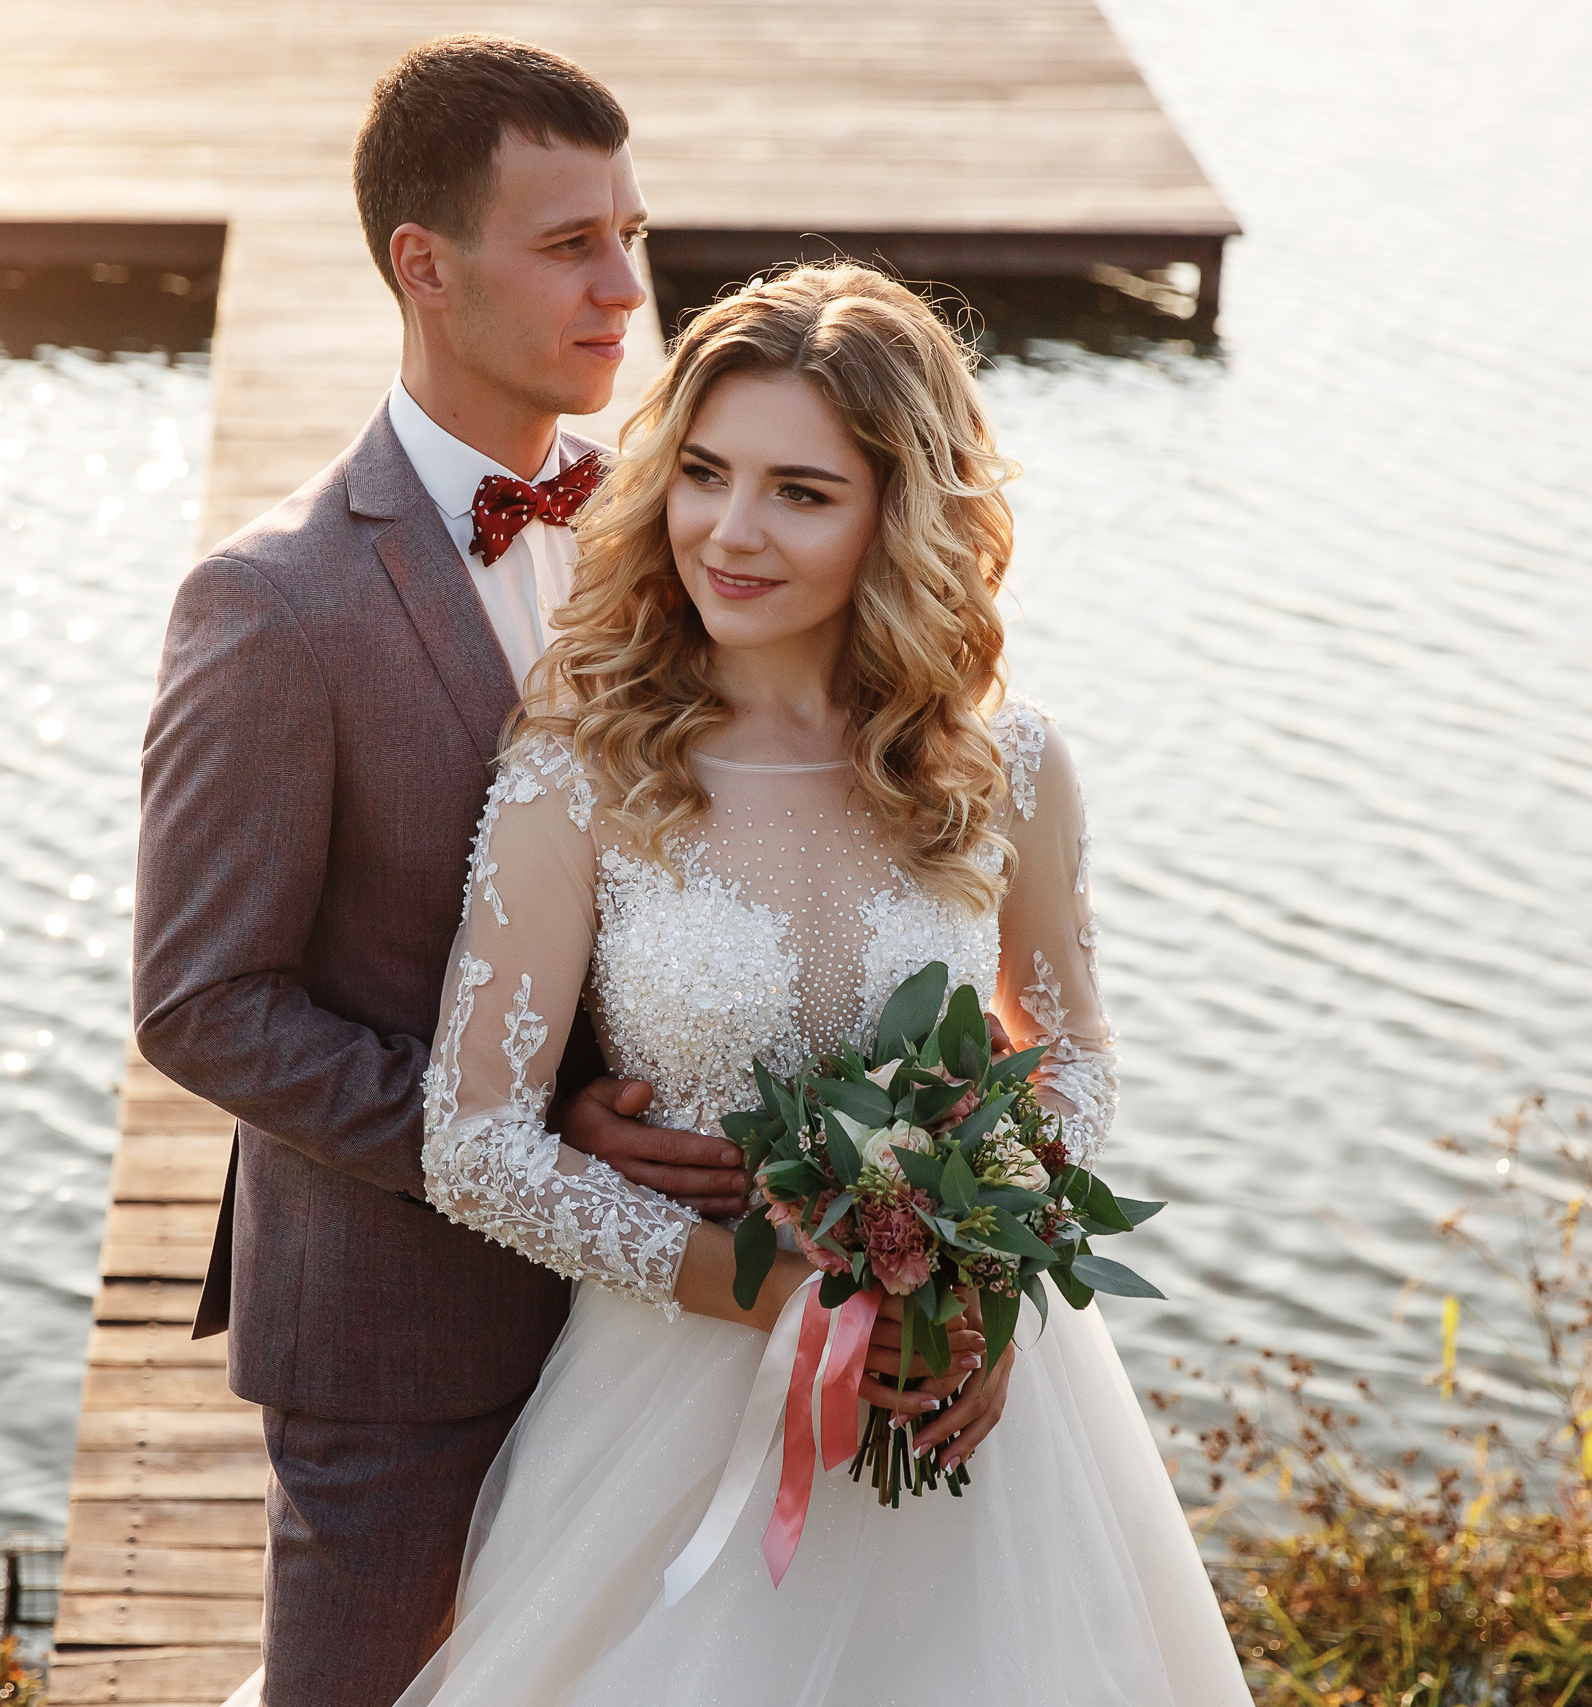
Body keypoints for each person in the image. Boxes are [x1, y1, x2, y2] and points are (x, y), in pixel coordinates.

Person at [136, 36, 915, 1707]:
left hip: (673, 1333)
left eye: (631, 234)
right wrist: (515, 1127)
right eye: (571, 244)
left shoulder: (685, 525)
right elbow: (204, 1005)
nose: (625, 287)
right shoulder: (272, 607)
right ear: (426, 266)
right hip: (403, 1333)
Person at [397, 263, 1253, 1704]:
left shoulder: (1009, 767)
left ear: (897, 516)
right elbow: (472, 1144)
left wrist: (988, 1271)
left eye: (800, 492)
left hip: (971, 1397)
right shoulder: (582, 762)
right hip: (666, 1406)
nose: (728, 533)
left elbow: (1073, 1053)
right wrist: (778, 1291)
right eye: (707, 475)